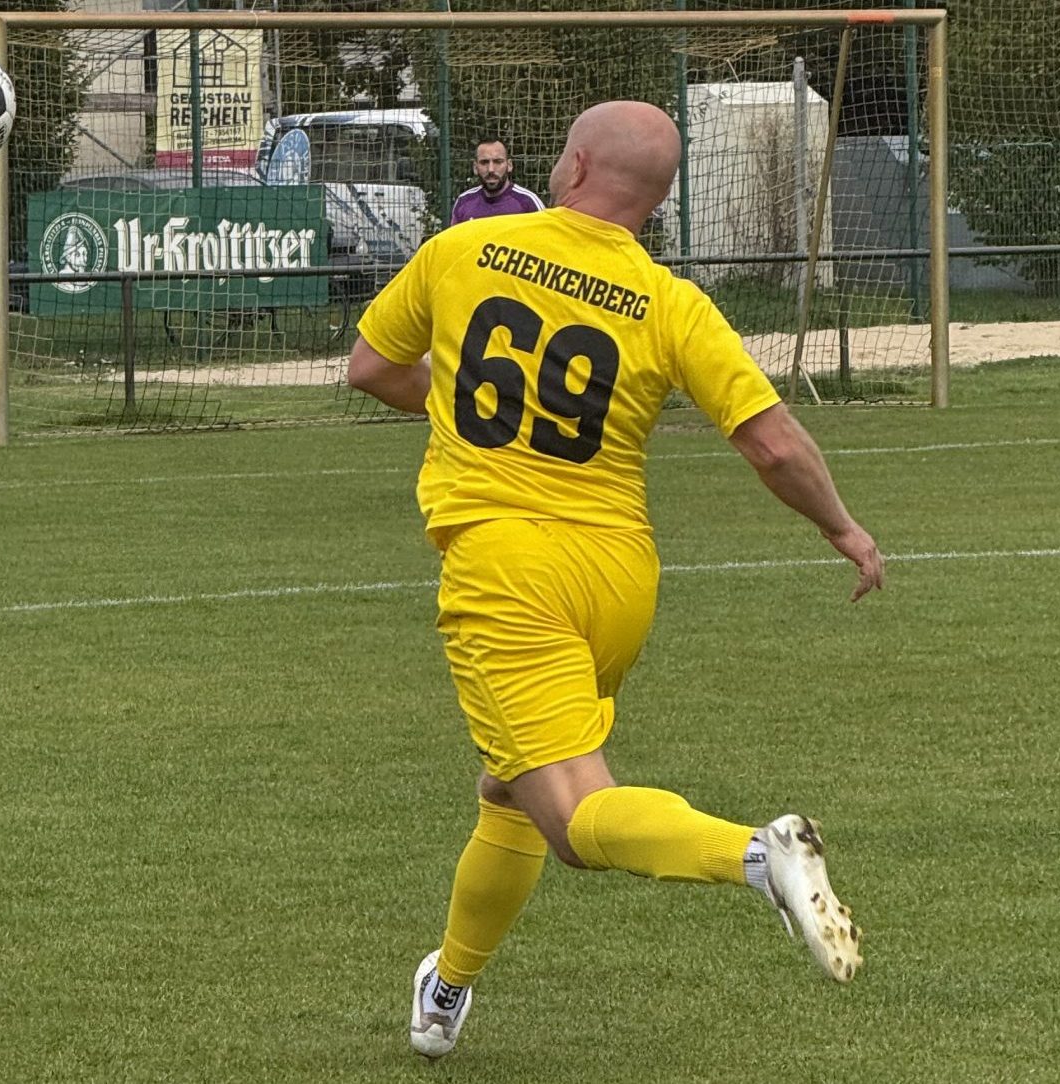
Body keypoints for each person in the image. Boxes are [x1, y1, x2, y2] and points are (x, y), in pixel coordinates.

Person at [347, 100, 883, 1060]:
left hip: (508, 572)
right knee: (509, 784)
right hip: (620, 578)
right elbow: (770, 443)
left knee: (573, 819)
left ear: (576, 164)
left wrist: (470, 415)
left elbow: (372, 367)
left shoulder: (463, 250)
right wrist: (841, 526)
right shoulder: (669, 300)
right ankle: (447, 989)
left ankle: (756, 857)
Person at [448, 137, 545, 227]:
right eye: (484, 162)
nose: (491, 169)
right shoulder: (464, 202)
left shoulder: (528, 202)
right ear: (475, 167)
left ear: (509, 165)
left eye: (498, 162)